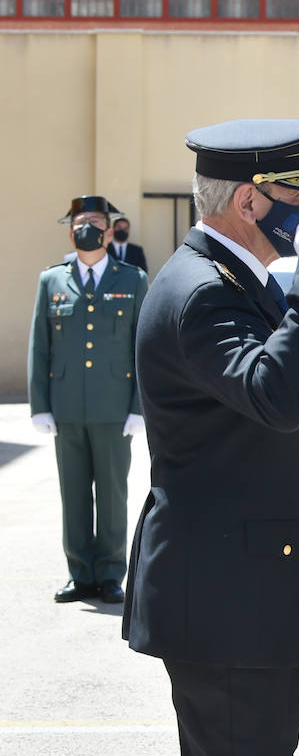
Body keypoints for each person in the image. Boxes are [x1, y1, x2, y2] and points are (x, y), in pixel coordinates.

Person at [123, 118, 299, 756]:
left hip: (241, 590)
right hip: (225, 599)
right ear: (251, 203)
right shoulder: (204, 292)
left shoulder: (232, 279)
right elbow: (281, 398)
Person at [29, 195, 147, 604]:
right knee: (74, 493)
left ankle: (112, 573)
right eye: (81, 222)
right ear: (70, 231)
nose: (88, 228)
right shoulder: (52, 280)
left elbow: (140, 347)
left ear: (110, 229)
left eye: (95, 221)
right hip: (65, 408)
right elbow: (40, 347)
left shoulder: (132, 279)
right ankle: (80, 573)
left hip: (115, 408)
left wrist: (138, 408)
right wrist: (39, 405)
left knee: (112, 495)